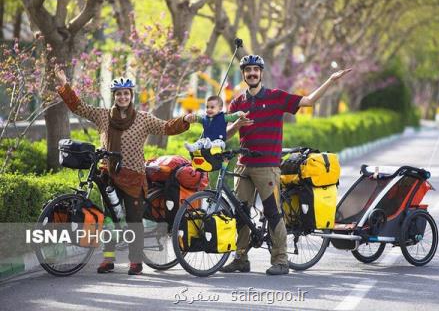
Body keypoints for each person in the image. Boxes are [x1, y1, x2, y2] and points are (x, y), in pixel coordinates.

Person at [54, 67, 195, 275]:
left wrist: (184, 121)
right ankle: (108, 260)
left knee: (133, 219)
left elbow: (166, 127)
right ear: (114, 96)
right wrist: (65, 85)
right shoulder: (103, 116)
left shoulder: (143, 119)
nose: (122, 97)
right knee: (110, 219)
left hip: (133, 176)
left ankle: (136, 262)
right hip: (108, 175)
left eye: (126, 93)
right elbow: (79, 107)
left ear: (131, 96)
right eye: (119, 93)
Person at [220, 54, 351, 275]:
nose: (252, 73)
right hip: (243, 165)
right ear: (243, 74)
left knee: (272, 212)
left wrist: (330, 81)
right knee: (240, 213)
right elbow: (227, 134)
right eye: (248, 70)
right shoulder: (238, 103)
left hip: (267, 166)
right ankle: (241, 258)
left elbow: (308, 101)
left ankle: (281, 260)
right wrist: (237, 124)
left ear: (261, 73)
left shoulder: (276, 97)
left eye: (255, 69)